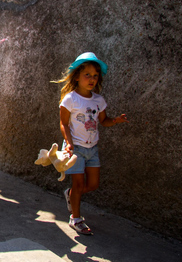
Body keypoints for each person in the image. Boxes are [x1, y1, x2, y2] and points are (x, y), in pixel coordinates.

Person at [55, 52, 128, 235]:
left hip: (92, 149)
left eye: (95, 76)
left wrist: (116, 120)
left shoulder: (99, 100)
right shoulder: (70, 99)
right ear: (77, 76)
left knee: (93, 184)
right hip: (76, 149)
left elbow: (103, 121)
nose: (92, 79)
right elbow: (64, 123)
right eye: (87, 74)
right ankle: (76, 219)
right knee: (79, 184)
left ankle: (71, 195)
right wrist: (69, 144)